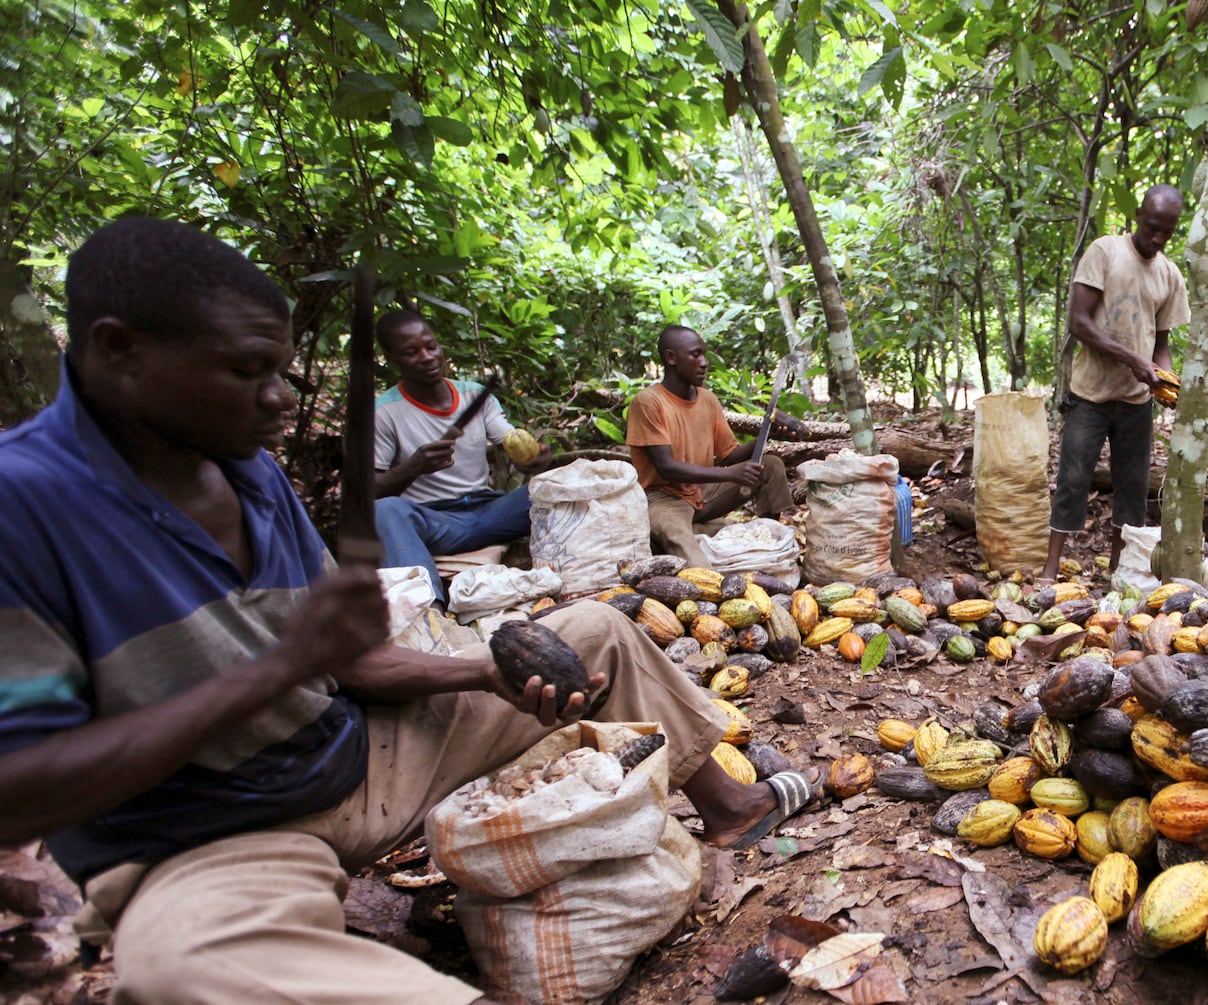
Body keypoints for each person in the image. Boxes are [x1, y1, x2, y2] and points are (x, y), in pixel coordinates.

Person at [0, 218, 820, 1005]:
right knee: (183, 967)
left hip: (358, 751)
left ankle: (732, 805)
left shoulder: (247, 475)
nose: (281, 399)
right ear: (118, 349)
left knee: (597, 627)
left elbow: (352, 666)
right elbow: (20, 793)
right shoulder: (23, 510)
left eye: (281, 370)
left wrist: (483, 673)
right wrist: (280, 669)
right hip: (220, 833)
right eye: (249, 371)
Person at [1039, 184, 1190, 582]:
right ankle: (1050, 569)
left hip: (1136, 402)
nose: (1157, 238)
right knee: (1072, 478)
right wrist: (1132, 359)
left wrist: (1165, 381)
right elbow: (1079, 322)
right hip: (1090, 393)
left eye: (1166, 232)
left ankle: (1118, 573)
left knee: (1132, 488)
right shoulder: (1106, 252)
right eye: (1152, 227)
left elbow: (1161, 344)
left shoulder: (1170, 275)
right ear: (1139, 215)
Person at [372, 309, 548, 603]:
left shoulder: (474, 395)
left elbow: (511, 443)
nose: (427, 357)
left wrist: (532, 461)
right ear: (391, 359)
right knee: (385, 511)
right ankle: (427, 611)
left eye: (431, 346)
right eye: (411, 352)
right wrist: (415, 467)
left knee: (558, 484)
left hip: (489, 512)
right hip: (435, 522)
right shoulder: (383, 412)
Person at [626, 324, 793, 563]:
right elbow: (666, 467)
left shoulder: (707, 399)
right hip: (663, 498)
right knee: (693, 558)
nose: (704, 362)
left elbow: (730, 455)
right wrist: (731, 473)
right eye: (695, 355)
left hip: (702, 492)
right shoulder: (649, 402)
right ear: (671, 358)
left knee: (769, 464)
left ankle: (768, 543)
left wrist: (767, 434)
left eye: (703, 354)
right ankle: (685, 537)